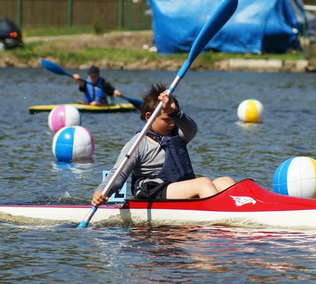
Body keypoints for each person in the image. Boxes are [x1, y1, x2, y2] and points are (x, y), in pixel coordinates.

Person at [91, 82, 235, 206]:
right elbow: (119, 173)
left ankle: (243, 213)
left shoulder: (178, 135)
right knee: (203, 183)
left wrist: (175, 112)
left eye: (173, 119)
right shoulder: (137, 144)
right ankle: (219, 219)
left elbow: (192, 129)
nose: (172, 124)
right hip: (151, 191)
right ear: (149, 117)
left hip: (176, 189)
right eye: (166, 119)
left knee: (225, 182)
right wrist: (102, 191)